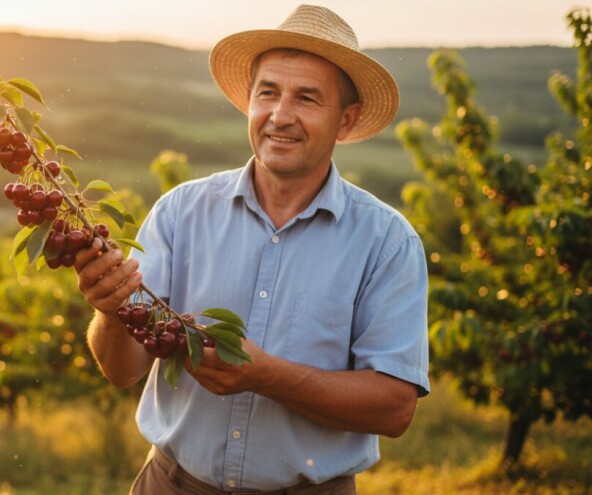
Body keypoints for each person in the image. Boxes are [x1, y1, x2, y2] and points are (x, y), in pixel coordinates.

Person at [73, 4, 430, 494]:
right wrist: (112, 311)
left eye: (307, 98)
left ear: (346, 121)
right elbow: (121, 370)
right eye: (268, 93)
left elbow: (394, 408)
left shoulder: (386, 242)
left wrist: (267, 376)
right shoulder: (181, 211)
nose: (280, 116)